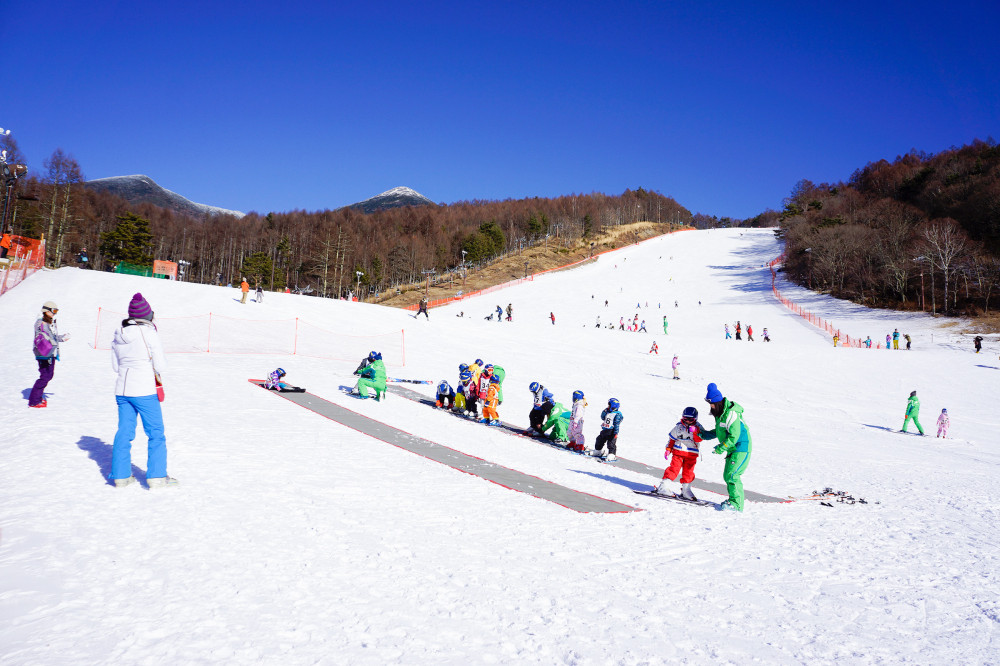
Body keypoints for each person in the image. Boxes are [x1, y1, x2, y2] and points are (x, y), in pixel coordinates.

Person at [110, 293, 177, 488]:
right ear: (147, 315)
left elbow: (116, 366)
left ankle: (121, 476)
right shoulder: (149, 333)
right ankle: (157, 476)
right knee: (156, 432)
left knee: (124, 432)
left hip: (122, 390)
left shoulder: (118, 333)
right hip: (144, 390)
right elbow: (161, 366)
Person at [699, 382, 752, 512]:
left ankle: (737, 505)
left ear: (717, 403)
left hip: (741, 448)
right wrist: (703, 434)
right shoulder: (721, 414)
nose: (710, 407)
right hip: (733, 449)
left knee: (732, 475)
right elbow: (720, 432)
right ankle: (733, 501)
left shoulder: (731, 414)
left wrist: (721, 447)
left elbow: (734, 436)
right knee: (728, 475)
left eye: (711, 404)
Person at [653, 406, 704, 500]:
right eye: (685, 419)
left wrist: (696, 432)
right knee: (674, 469)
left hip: (691, 454)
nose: (688, 421)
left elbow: (700, 439)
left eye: (691, 419)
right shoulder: (679, 427)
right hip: (678, 452)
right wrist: (668, 449)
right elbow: (672, 439)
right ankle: (663, 487)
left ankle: (686, 490)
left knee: (688, 472)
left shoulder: (698, 427)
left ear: (695, 419)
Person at [29, 301, 70, 408]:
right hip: (43, 353)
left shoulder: (49, 322)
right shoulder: (41, 322)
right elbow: (43, 337)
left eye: (56, 311)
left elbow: (53, 337)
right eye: (54, 311)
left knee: (48, 375)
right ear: (46, 311)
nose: (55, 313)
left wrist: (62, 338)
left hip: (50, 352)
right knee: (45, 376)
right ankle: (34, 401)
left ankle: (37, 397)